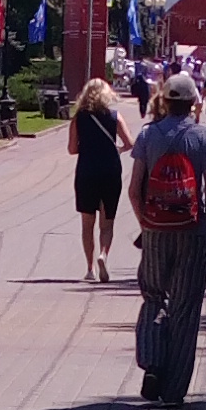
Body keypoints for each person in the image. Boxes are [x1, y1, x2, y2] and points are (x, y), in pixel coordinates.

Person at [127, 71, 206, 406]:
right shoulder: (204, 136)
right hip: (192, 232)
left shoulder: (147, 134)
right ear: (194, 102)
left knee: (153, 295)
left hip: (155, 230)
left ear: (164, 101)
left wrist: (145, 222)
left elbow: (134, 190)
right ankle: (174, 389)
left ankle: (153, 362)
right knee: (185, 307)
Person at [67, 77, 132, 283]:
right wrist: (117, 149)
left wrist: (87, 146)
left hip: (87, 171)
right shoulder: (114, 116)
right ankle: (103, 254)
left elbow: (72, 149)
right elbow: (130, 143)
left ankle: (90, 268)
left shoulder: (79, 118)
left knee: (87, 224)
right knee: (107, 222)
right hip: (110, 171)